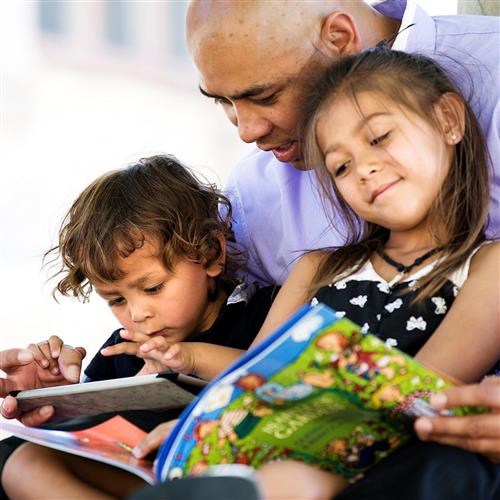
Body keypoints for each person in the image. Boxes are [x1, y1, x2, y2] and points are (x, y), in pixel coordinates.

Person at [185, 0, 500, 488]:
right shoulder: (312, 260)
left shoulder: (488, 263)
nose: (246, 131)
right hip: (296, 438)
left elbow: (423, 390)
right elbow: (253, 370)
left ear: (449, 121)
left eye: (263, 95)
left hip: (393, 443)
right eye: (340, 166)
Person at [0, 154, 278, 499]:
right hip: (139, 477)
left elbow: (287, 379)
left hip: (234, 473)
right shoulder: (122, 351)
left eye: (152, 289)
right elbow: (90, 443)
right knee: (14, 458)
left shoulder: (265, 315)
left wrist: (190, 358)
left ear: (210, 254)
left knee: (25, 465)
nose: (137, 314)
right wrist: (59, 400)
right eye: (115, 300)